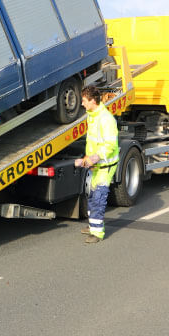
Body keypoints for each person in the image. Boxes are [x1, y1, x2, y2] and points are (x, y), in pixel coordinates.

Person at [74, 85, 119, 243]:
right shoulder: (92, 115)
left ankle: (97, 233)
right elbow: (92, 141)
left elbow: (110, 145)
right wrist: (88, 158)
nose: (82, 104)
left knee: (99, 197)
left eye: (85, 101)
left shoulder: (106, 119)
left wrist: (94, 158)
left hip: (105, 165)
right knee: (92, 195)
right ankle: (93, 225)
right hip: (96, 163)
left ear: (93, 101)